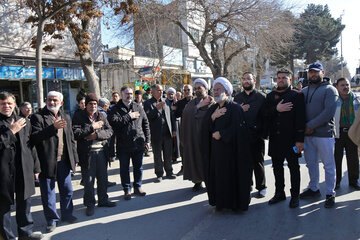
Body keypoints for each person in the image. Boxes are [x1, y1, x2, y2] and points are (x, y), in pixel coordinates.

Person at [201, 77, 252, 211]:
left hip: (232, 153)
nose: (215, 92)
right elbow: (204, 128)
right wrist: (213, 117)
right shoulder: (212, 109)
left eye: (219, 90)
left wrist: (222, 134)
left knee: (232, 178)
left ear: (227, 92)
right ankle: (221, 203)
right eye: (214, 90)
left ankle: (234, 205)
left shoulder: (235, 108)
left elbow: (240, 130)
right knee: (219, 178)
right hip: (217, 154)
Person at [30, 91, 79, 232]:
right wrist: (53, 128)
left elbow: (70, 139)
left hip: (64, 161)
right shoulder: (37, 117)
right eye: (49, 100)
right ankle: (51, 220)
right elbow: (34, 138)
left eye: (55, 100)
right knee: (48, 193)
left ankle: (67, 214)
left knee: (67, 190)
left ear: (61, 102)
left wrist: (74, 158)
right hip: (46, 162)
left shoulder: (66, 117)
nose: (52, 103)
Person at [0, 92, 43, 240]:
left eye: (9, 103)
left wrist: (36, 168)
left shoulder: (23, 121)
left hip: (23, 168)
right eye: (3, 103)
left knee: (24, 202)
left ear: (14, 105)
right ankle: (7, 236)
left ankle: (26, 232)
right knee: (3, 206)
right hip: (4, 171)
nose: (6, 106)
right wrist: (11, 131)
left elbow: (30, 145)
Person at [262, 69, 305, 208]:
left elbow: (300, 119)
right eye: (279, 77)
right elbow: (264, 115)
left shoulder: (297, 95)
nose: (281, 80)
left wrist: (299, 140)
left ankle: (295, 196)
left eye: (284, 78)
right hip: (275, 139)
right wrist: (277, 109)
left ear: (290, 80)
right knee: (277, 168)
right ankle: (279, 192)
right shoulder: (271, 96)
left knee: (293, 167)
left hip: (292, 140)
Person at [300, 62, 338, 208]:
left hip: (324, 134)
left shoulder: (330, 90)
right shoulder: (304, 91)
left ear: (323, 72)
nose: (313, 74)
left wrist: (310, 125)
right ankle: (314, 188)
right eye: (311, 72)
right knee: (311, 164)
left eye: (316, 72)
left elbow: (328, 112)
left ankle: (330, 193)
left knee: (328, 165)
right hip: (308, 136)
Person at [72, 93, 116, 216]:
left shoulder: (101, 115)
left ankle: (103, 200)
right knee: (89, 181)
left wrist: (97, 135)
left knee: (103, 178)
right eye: (90, 104)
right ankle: (90, 204)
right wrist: (92, 127)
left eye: (95, 104)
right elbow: (76, 133)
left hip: (101, 152)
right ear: (86, 105)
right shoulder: (78, 116)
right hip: (88, 154)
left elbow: (109, 131)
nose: (93, 106)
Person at [108, 86, 150, 200]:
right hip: (123, 144)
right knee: (124, 168)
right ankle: (127, 189)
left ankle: (138, 186)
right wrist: (129, 116)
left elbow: (145, 123)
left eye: (131, 93)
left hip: (138, 143)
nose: (129, 95)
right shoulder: (115, 108)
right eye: (127, 93)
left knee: (138, 167)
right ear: (122, 94)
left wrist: (147, 140)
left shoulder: (138, 106)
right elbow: (114, 122)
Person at [234, 72, 267, 198]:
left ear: (254, 80)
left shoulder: (261, 97)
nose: (246, 81)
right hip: (242, 136)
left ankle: (262, 187)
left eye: (248, 79)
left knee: (258, 163)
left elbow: (266, 117)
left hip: (257, 136)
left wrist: (263, 134)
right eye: (244, 79)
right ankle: (248, 185)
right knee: (244, 163)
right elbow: (234, 117)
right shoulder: (237, 98)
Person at [181, 78, 214, 191]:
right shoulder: (191, 103)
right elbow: (186, 114)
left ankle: (209, 181)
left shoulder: (211, 101)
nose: (197, 90)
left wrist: (200, 108)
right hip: (193, 138)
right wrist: (198, 107)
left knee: (207, 161)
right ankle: (197, 182)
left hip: (206, 138)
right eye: (195, 88)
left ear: (205, 88)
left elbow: (210, 117)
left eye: (199, 88)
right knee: (195, 160)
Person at [144, 84, 177, 182]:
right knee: (157, 154)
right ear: (153, 91)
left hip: (167, 132)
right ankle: (159, 173)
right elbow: (147, 117)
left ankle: (169, 171)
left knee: (168, 154)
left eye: (162, 90)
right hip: (156, 133)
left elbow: (171, 116)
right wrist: (156, 109)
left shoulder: (165, 101)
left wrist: (174, 129)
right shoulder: (148, 103)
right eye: (159, 90)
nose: (161, 92)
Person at [334, 78, 360, 190]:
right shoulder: (334, 100)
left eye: (347, 84)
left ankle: (354, 181)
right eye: (342, 85)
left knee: (353, 159)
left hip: (352, 133)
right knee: (337, 158)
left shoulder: (357, 100)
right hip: (338, 133)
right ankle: (337, 181)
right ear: (337, 88)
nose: (345, 87)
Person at [174, 84, 194, 176]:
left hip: (195, 129)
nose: (186, 92)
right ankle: (184, 167)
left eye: (188, 90)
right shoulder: (180, 103)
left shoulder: (197, 101)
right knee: (184, 150)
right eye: (185, 90)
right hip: (184, 129)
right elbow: (176, 114)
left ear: (192, 90)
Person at [97, 97, 117, 188]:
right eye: (107, 106)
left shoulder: (97, 112)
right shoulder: (102, 114)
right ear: (104, 106)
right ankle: (104, 181)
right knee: (102, 165)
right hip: (102, 142)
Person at [166, 87, 180, 162]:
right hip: (168, 124)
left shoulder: (177, 102)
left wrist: (177, 104)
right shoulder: (165, 102)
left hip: (176, 123)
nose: (171, 95)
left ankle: (176, 156)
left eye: (172, 94)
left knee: (177, 141)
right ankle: (171, 156)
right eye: (169, 94)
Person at [109, 92, 120, 162]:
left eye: (116, 96)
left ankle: (119, 154)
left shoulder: (121, 104)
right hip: (112, 125)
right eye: (113, 96)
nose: (115, 97)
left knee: (120, 140)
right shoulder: (110, 105)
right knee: (111, 141)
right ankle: (112, 155)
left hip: (120, 125)